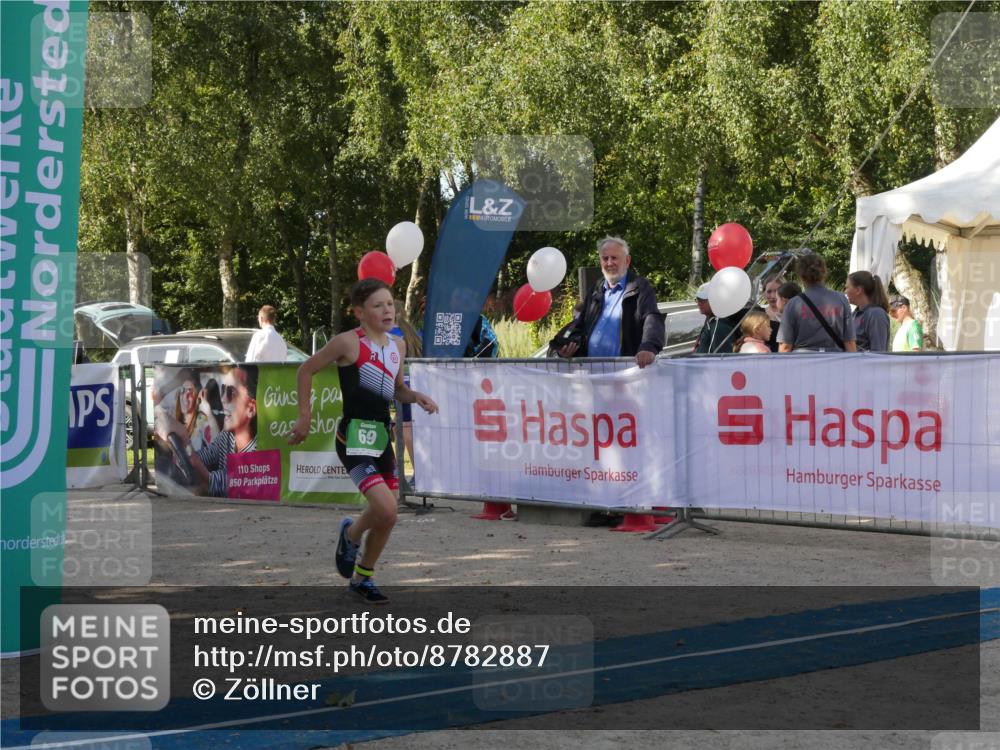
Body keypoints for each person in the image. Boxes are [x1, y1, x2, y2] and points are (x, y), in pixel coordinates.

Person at [289, 279, 438, 604]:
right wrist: (304, 416)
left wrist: (416, 396)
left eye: (390, 304)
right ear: (359, 312)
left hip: (381, 438)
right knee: (385, 507)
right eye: (378, 305)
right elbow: (305, 370)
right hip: (353, 439)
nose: (387, 310)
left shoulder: (398, 346)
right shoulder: (347, 343)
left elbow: (396, 390)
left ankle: (362, 577)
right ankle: (351, 534)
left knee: (388, 515)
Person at [554, 236, 664, 367]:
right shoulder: (595, 289)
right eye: (605, 258)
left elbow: (652, 318)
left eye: (614, 258)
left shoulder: (639, 287)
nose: (609, 263)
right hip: (592, 372)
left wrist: (649, 346)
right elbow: (580, 325)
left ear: (627, 260)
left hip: (625, 372)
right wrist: (567, 348)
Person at [157, 364, 259, 497]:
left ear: (251, 408)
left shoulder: (258, 453)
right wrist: (183, 450)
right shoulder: (227, 437)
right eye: (223, 390)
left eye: (231, 393)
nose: (223, 399)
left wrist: (188, 449)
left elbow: (215, 482)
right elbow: (205, 455)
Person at [778, 253, 857, 353]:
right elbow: (849, 342)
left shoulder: (793, 304)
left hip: (802, 359)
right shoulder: (841, 300)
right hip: (835, 358)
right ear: (824, 272)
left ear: (801, 276)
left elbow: (785, 346)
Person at [172, 368, 220, 452]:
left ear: (197, 398)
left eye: (190, 392)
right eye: (183, 390)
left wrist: (208, 412)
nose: (185, 396)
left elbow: (217, 448)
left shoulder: (201, 421)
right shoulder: (175, 418)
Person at [845, 271, 890, 352]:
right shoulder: (854, 314)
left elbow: (878, 352)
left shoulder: (876, 314)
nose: (845, 292)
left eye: (847, 288)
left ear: (858, 290)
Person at [693, 282, 742, 354]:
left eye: (702, 300)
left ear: (715, 300)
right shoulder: (712, 321)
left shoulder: (720, 325)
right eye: (697, 300)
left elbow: (720, 357)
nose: (698, 303)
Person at [763, 278, 783, 352]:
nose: (773, 296)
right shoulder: (759, 314)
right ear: (764, 293)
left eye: (777, 291)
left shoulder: (792, 313)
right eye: (769, 291)